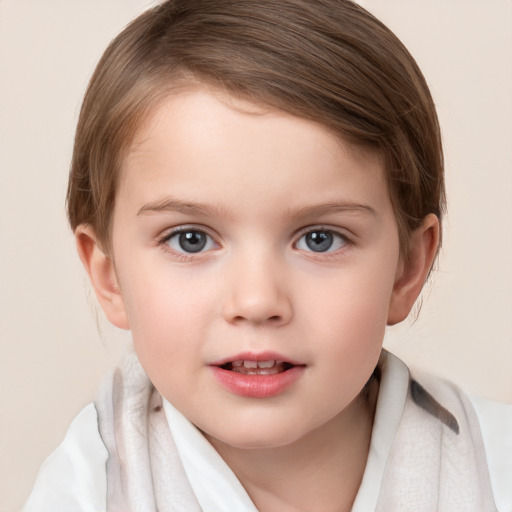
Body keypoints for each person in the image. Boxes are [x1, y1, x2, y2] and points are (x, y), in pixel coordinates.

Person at [23, 0, 512, 510]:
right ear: (110, 276)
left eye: (320, 239)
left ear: (406, 269)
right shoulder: (86, 491)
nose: (257, 301)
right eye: (190, 239)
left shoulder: (494, 472)